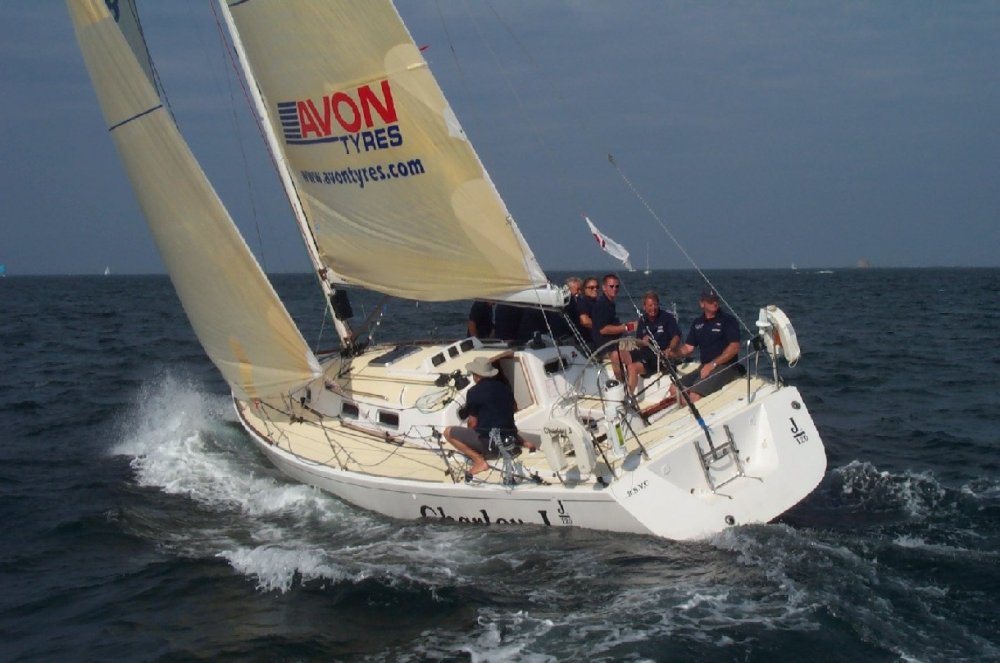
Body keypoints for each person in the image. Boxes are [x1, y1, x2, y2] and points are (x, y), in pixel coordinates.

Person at [443, 357, 530, 474]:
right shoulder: (505, 388)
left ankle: (479, 461)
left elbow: (472, 423)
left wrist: (472, 439)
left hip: (492, 445)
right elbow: (509, 412)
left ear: (477, 375)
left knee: (448, 432)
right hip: (511, 440)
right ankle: (522, 442)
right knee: (502, 423)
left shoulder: (473, 392)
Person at [669, 288, 741, 404]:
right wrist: (673, 353)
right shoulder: (697, 323)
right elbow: (688, 348)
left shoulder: (727, 320)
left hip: (726, 366)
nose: (714, 303)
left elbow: (735, 347)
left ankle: (696, 414)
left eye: (716, 299)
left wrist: (713, 364)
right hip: (704, 366)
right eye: (710, 300)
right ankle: (690, 411)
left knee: (695, 394)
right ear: (702, 303)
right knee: (674, 388)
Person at [625, 291, 681, 394]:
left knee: (632, 367)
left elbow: (676, 336)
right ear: (644, 307)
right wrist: (643, 342)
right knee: (618, 355)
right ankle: (619, 386)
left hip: (659, 356)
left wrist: (670, 349)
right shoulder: (642, 320)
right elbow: (638, 342)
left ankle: (629, 397)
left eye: (655, 305)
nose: (653, 308)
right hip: (644, 352)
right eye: (650, 305)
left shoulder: (667, 318)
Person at [590, 273, 637, 383]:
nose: (614, 289)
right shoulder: (602, 305)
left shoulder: (610, 304)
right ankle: (622, 384)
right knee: (629, 357)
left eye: (617, 286)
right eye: (611, 286)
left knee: (641, 343)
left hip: (614, 342)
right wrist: (628, 327)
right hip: (605, 347)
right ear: (604, 288)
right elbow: (604, 329)